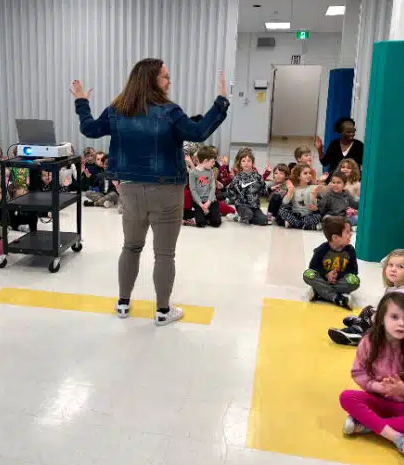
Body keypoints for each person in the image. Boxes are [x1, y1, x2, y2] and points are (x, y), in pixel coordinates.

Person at [71, 58, 229, 325]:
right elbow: (200, 132)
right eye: (166, 76)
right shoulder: (170, 112)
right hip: (167, 192)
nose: (169, 81)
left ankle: (123, 304)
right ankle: (163, 311)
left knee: (131, 247)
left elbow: (89, 128)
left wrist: (81, 102)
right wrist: (221, 101)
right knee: (164, 254)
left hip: (130, 191)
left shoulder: (117, 111)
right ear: (151, 80)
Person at [338, 292, 404, 465]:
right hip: (376, 400)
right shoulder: (369, 342)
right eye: (394, 317)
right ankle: (398, 437)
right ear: (381, 318)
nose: (401, 323)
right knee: (346, 397)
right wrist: (377, 386)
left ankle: (367, 425)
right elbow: (358, 372)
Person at [328, 250, 404, 347]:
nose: (393, 269)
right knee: (369, 310)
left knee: (374, 318)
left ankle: (357, 334)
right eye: (390, 265)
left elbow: (388, 317)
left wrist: (372, 319)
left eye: (400, 267)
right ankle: (360, 324)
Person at [303, 216, 359, 309]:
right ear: (335, 237)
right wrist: (326, 274)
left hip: (339, 281)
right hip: (324, 279)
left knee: (355, 281)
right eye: (347, 232)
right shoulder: (322, 250)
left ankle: (319, 292)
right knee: (307, 274)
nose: (351, 234)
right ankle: (337, 298)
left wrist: (338, 275)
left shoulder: (350, 250)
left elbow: (354, 271)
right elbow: (313, 268)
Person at [226, 151, 267, 225]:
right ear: (240, 164)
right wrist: (236, 201)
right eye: (243, 161)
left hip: (254, 206)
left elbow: (264, 189)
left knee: (264, 220)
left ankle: (239, 218)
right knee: (248, 214)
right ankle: (241, 216)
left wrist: (263, 192)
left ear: (253, 163)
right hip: (242, 206)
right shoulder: (237, 178)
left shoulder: (258, 177)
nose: (246, 163)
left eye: (249, 161)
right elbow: (230, 190)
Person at [279, 164, 320, 230]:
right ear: (298, 176)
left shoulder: (313, 187)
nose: (309, 175)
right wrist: (290, 192)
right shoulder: (293, 188)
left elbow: (314, 205)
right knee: (282, 211)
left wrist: (314, 196)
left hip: (308, 215)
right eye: (305, 173)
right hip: (295, 215)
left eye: (310, 173)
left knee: (318, 216)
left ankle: (295, 224)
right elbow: (285, 202)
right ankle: (304, 226)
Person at [188, 146, 221, 228]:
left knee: (216, 223)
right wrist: (201, 204)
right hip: (199, 202)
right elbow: (193, 190)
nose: (214, 164)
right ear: (205, 161)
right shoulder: (193, 173)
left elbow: (213, 187)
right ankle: (202, 215)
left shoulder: (211, 171)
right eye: (212, 162)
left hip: (211, 201)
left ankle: (208, 215)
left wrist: (208, 202)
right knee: (201, 224)